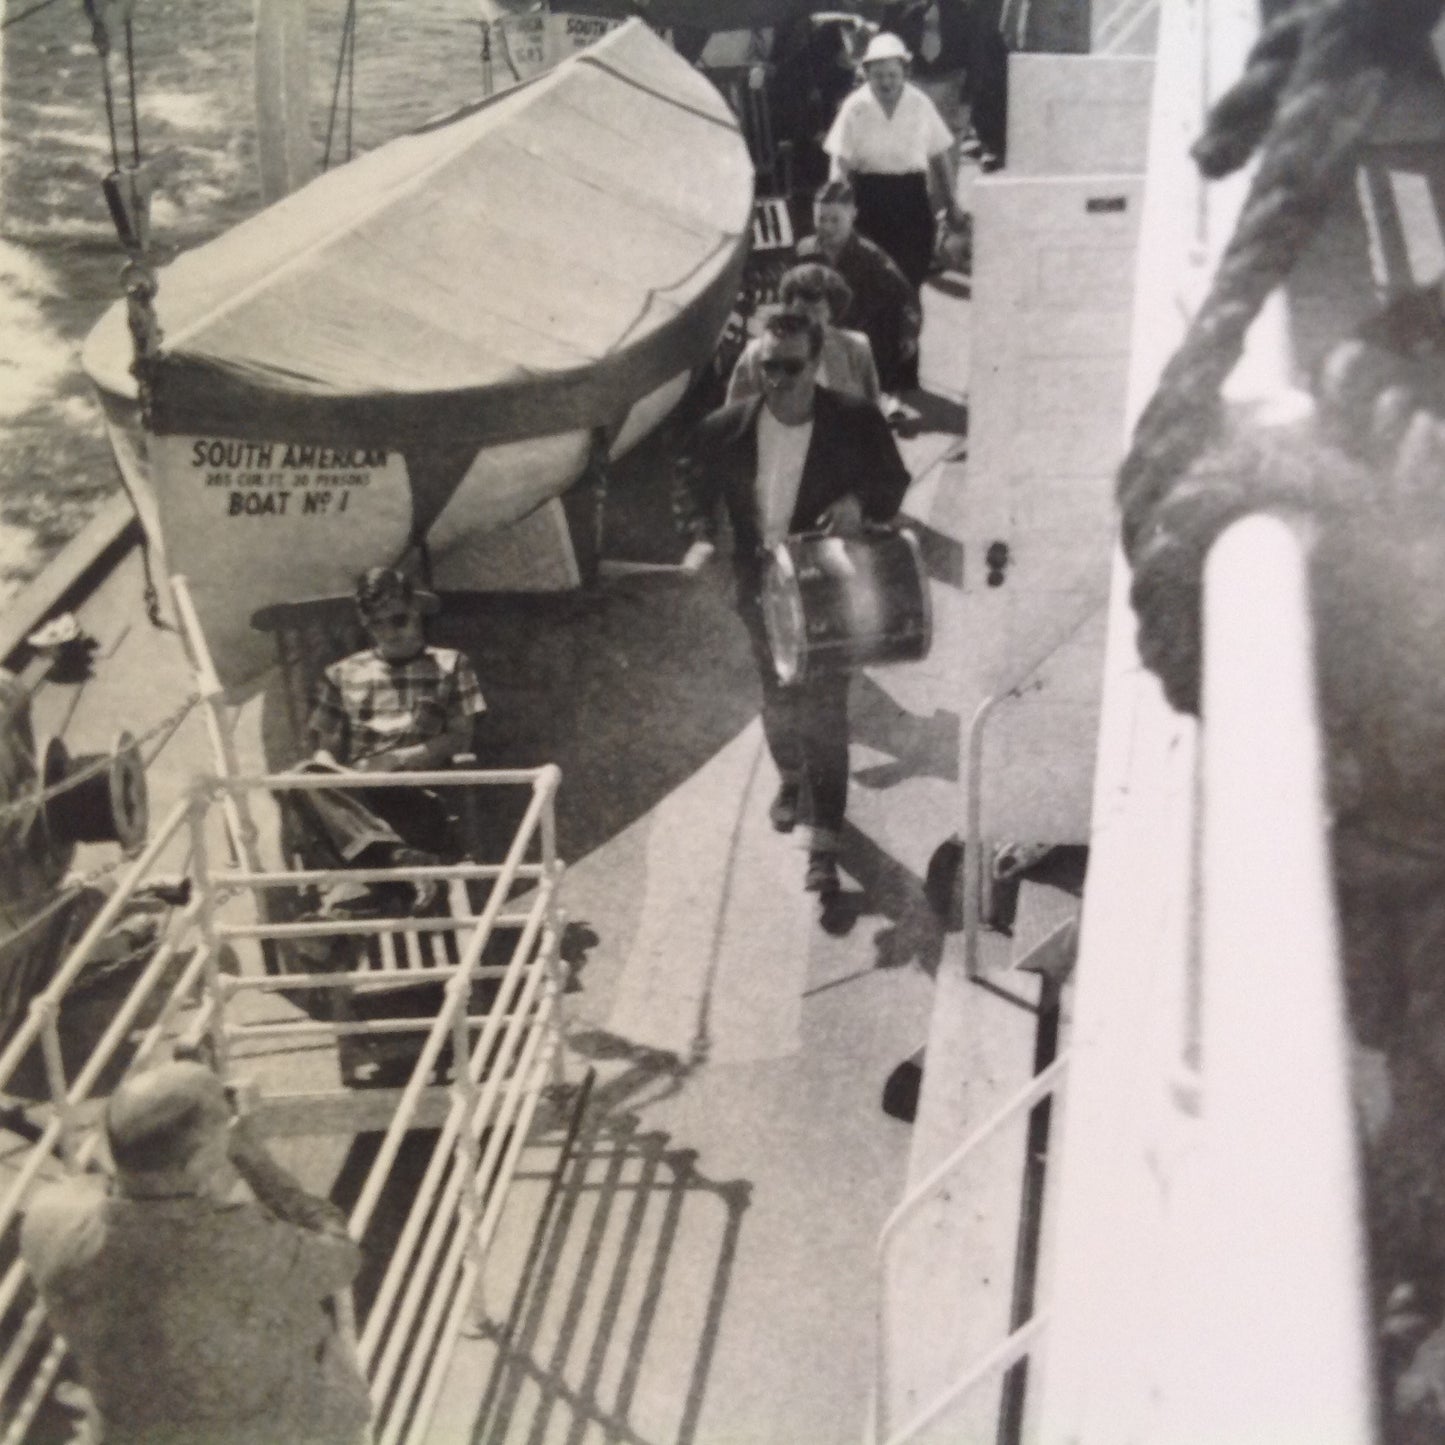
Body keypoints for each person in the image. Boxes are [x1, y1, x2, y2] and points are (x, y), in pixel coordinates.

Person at [675, 311, 911, 896]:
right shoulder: (725, 428)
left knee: (826, 709)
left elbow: (893, 481)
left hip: (827, 583)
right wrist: (702, 537)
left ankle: (823, 844)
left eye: (790, 367)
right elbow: (690, 487)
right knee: (777, 698)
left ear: (817, 361)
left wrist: (860, 501)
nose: (776, 378)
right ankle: (792, 777)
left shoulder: (853, 421)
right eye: (766, 365)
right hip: (759, 587)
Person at [20, 1061, 372, 1445]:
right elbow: (340, 1256)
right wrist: (256, 1161)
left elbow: (116, 1198)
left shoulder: (48, 1218)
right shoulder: (236, 1240)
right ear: (200, 1160)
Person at [290, 567, 486, 916]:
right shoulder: (341, 674)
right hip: (359, 801)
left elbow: (460, 738)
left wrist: (397, 760)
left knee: (341, 847)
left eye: (398, 620)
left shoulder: (450, 664)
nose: (389, 632)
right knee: (303, 778)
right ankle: (399, 865)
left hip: (417, 796)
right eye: (376, 624)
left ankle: (370, 898)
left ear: (416, 611)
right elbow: (326, 750)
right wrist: (335, 777)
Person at [823, 31, 966, 296]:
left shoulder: (919, 104)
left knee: (910, 280)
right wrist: (839, 206)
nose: (886, 83)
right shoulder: (855, 107)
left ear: (905, 72)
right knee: (871, 283)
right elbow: (839, 162)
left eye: (893, 75)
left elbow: (939, 156)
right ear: (866, 74)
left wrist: (951, 202)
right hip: (869, 200)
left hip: (911, 200)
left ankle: (907, 336)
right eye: (878, 76)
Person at [796, 179, 923, 395]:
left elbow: (907, 298)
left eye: (835, 220)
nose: (826, 227)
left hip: (856, 345)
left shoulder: (871, 258)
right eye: (821, 218)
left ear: (853, 215)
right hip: (814, 342)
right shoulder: (805, 251)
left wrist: (908, 334)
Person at [727, 262, 881, 409]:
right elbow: (735, 419)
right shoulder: (758, 354)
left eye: (816, 312)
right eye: (801, 313)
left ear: (832, 312)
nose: (809, 321)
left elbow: (874, 414)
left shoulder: (855, 348)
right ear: (787, 310)